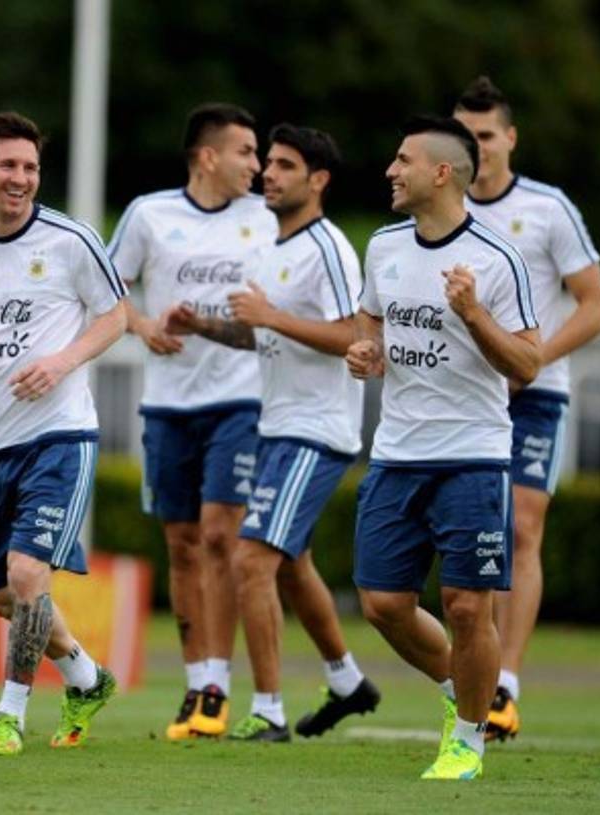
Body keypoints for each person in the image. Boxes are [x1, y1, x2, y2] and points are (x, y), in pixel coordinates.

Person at [164, 124, 380, 741]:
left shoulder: (329, 247)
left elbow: (355, 336)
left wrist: (271, 316)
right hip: (278, 427)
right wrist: (203, 326)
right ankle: (347, 682)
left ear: (319, 180)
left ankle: (269, 711)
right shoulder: (272, 245)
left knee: (251, 559)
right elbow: (263, 333)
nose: (269, 173)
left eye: (285, 165)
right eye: (270, 163)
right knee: (290, 564)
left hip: (318, 430)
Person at [347, 115, 540, 780]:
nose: (390, 171)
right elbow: (371, 318)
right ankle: (466, 690)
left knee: (465, 604)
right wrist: (366, 349)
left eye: (402, 160)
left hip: (473, 456)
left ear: (441, 172)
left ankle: (467, 740)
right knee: (382, 604)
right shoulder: (383, 247)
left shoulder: (496, 257)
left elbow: (528, 364)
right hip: (396, 454)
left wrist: (474, 313)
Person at [0, 111, 126, 756]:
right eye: (9, 165)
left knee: (26, 573)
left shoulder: (70, 240)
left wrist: (62, 362)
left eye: (31, 167)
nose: (21, 178)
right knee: (2, 596)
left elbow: (117, 316)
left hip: (60, 436)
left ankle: (8, 714)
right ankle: (86, 677)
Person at [107, 103, 276, 739]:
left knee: (220, 536)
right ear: (208, 157)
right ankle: (196, 680)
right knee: (181, 543)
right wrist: (144, 326)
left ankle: (218, 688)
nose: (257, 165)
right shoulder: (150, 214)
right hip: (168, 404)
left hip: (240, 400)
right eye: (245, 152)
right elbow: (108, 290)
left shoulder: (265, 218)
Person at [452, 76, 600, 742]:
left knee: (521, 525)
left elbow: (595, 305)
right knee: (473, 534)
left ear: (510, 138)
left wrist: (533, 359)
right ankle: (475, 676)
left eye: (486, 135)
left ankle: (506, 685)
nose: (477, 147)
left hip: (535, 391)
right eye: (465, 136)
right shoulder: (444, 210)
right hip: (467, 395)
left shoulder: (548, 209)